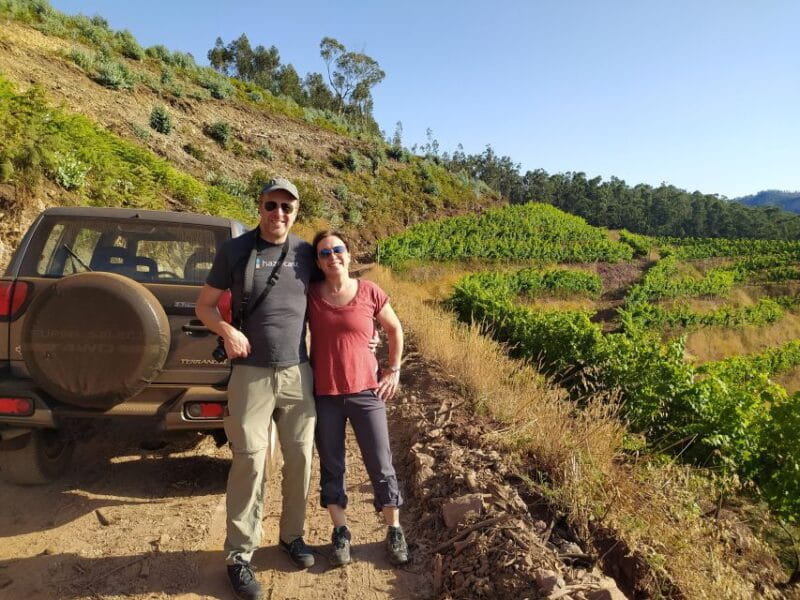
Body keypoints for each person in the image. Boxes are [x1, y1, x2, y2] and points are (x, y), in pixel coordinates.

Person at [196, 177, 317, 600]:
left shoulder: (306, 253)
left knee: (301, 458)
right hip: (250, 374)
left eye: (287, 207)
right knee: (250, 461)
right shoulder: (235, 251)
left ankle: (292, 536)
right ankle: (239, 555)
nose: (278, 214)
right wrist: (227, 330)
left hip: (298, 373)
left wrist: (370, 337)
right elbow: (204, 305)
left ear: (296, 211)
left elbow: (336, 296)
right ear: (260, 206)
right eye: (271, 205)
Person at [307, 230, 409, 567]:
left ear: (349, 255)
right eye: (324, 253)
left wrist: (392, 369)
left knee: (380, 462)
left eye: (338, 250)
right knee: (332, 464)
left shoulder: (369, 292)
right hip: (326, 395)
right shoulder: (312, 294)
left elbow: (394, 329)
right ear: (318, 262)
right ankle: (340, 531)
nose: (332, 256)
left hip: (366, 391)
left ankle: (393, 529)